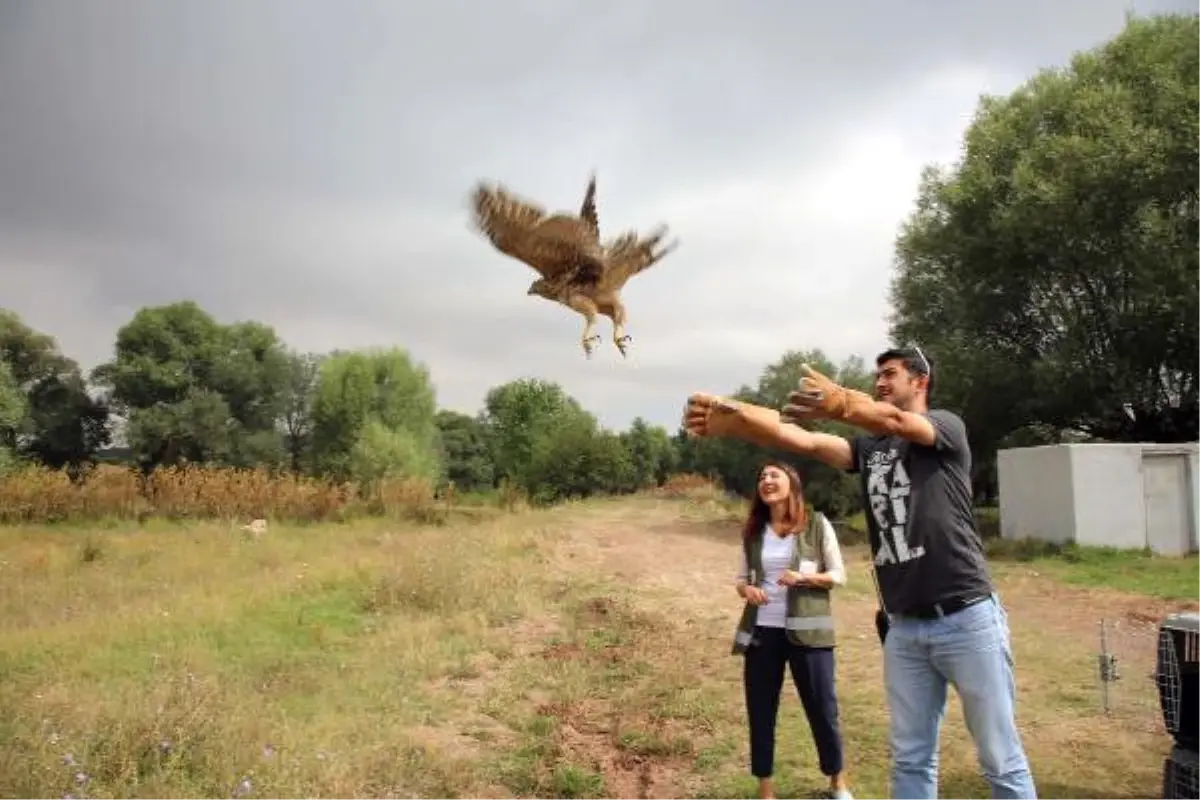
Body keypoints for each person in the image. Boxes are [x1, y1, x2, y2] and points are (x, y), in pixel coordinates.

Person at [684, 346, 1037, 800]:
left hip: (966, 618)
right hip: (905, 629)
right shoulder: (868, 450)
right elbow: (805, 441)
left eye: (890, 374)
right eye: (877, 377)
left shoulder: (947, 429)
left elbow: (895, 422)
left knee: (999, 757)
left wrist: (843, 403)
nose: (881, 383)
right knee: (910, 758)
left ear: (920, 381)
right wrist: (739, 420)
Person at [732, 459, 854, 800]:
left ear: (792, 484)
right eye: (761, 476)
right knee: (760, 710)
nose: (766, 480)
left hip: (810, 636)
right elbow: (741, 580)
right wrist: (747, 591)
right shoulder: (753, 531)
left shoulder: (816, 525)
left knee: (823, 709)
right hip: (763, 634)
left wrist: (804, 578)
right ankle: (766, 789)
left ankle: (837, 783)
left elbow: (839, 575)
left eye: (774, 475)